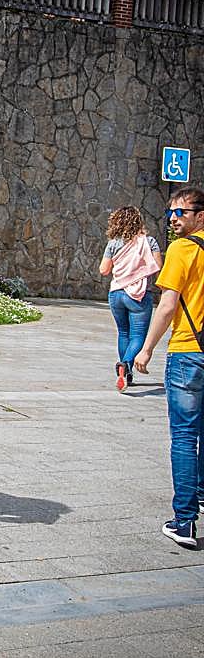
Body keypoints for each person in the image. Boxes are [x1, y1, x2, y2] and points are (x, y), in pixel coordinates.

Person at [134, 188, 204, 550]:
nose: (174, 218)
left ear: (200, 216)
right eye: (170, 212)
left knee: (184, 436)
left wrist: (145, 349)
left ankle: (184, 521)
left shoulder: (182, 249)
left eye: (182, 212)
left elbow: (167, 306)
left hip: (188, 353)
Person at [99, 205, 162, 393]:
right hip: (139, 295)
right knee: (138, 337)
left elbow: (104, 270)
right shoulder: (149, 242)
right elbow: (158, 265)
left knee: (123, 333)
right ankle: (125, 366)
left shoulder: (113, 243)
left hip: (116, 293)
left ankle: (126, 374)